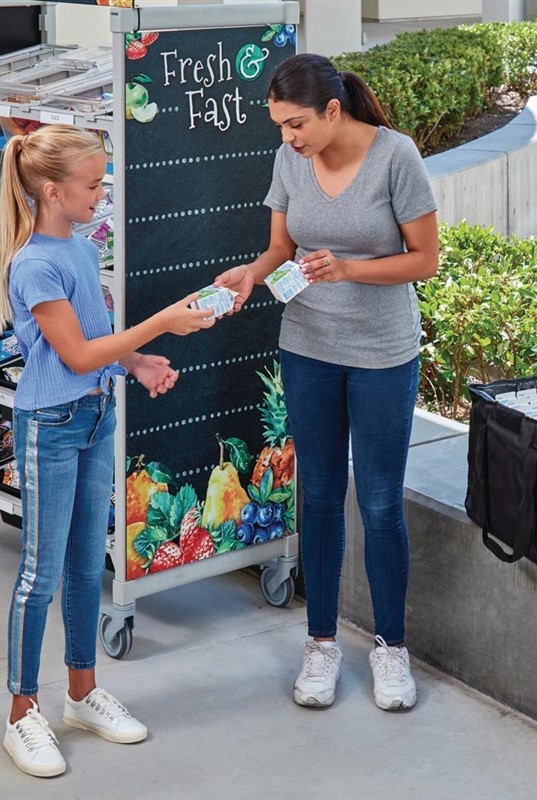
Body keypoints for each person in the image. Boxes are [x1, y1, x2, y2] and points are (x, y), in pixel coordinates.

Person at [215, 53, 439, 711]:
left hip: (382, 354)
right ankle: (320, 645)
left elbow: (424, 259)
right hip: (307, 346)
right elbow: (280, 249)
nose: (288, 137)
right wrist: (253, 274)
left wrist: (350, 270)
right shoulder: (291, 159)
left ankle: (390, 650)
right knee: (316, 496)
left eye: (296, 123)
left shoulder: (396, 157)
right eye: (281, 125)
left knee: (377, 503)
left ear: (332, 110)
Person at [0, 124, 215, 777]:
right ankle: (20, 713)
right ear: (52, 190)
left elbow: (99, 344)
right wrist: (162, 321)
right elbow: (73, 355)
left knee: (87, 563)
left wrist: (140, 362)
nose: (102, 192)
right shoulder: (34, 263)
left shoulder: (81, 249)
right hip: (52, 424)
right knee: (40, 573)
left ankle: (81, 693)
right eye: (94, 184)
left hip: (95, 416)